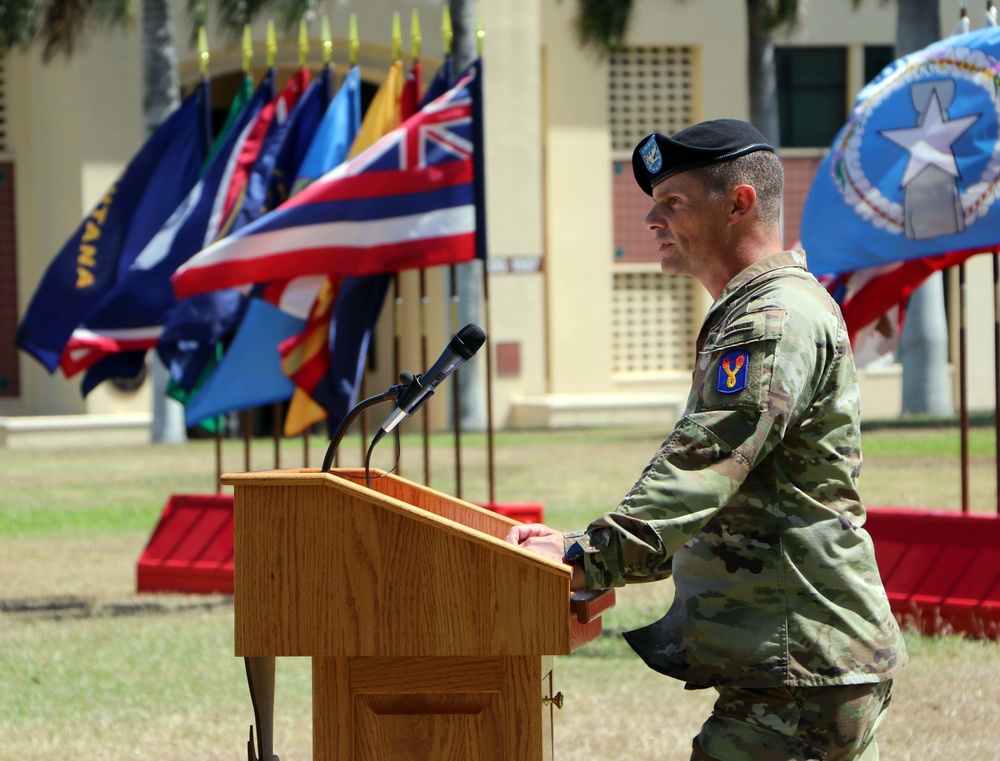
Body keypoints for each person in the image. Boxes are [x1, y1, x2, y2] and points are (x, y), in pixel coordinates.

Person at [506, 119, 907, 761]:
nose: (651, 220)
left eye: (674, 202)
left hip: (797, 660)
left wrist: (587, 555)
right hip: (793, 660)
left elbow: (705, 464)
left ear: (739, 202)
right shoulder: (760, 309)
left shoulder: (772, 319)